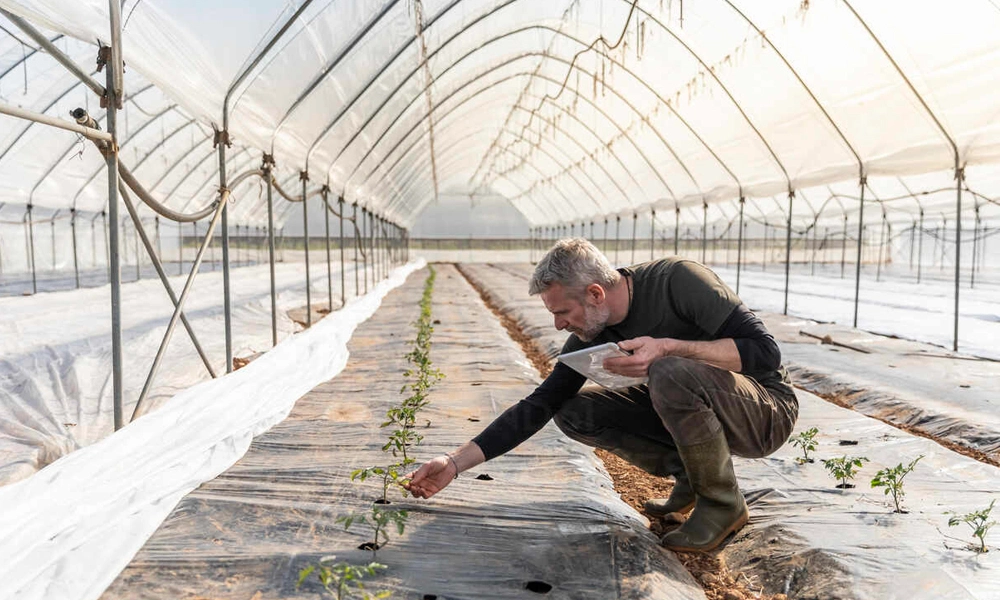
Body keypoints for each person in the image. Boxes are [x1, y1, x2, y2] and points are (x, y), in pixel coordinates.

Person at [405, 238, 798, 552]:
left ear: (595, 294)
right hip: (697, 404)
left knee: (668, 367)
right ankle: (691, 476)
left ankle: (722, 503)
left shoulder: (678, 280)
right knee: (575, 410)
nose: (559, 326)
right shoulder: (590, 335)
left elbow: (764, 353)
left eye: (563, 312)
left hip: (764, 409)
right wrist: (455, 463)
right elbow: (539, 405)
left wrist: (668, 347)